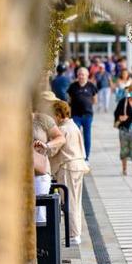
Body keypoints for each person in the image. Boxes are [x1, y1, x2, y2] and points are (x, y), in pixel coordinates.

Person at [47, 101, 91, 244]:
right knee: (75, 200)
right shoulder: (73, 126)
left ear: (59, 115)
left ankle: (74, 234)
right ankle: (75, 232)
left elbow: (54, 150)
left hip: (68, 167)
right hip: (77, 165)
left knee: (69, 200)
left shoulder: (64, 129)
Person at [32, 93, 67, 224]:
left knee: (40, 211)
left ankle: (41, 242)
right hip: (16, 173)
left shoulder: (42, 120)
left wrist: (46, 145)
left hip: (39, 172)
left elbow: (60, 138)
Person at [66, 66, 98, 158]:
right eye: (79, 74)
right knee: (75, 136)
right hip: (75, 115)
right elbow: (69, 100)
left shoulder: (91, 86)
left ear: (87, 75)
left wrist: (86, 103)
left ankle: (86, 157)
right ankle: (77, 155)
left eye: (83, 74)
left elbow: (95, 100)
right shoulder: (73, 86)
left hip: (87, 115)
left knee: (87, 136)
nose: (81, 76)